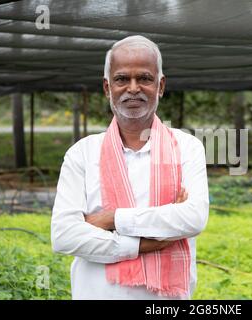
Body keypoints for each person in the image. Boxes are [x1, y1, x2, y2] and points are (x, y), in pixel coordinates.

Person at [51, 35, 209, 300]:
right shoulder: (82, 153)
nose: (133, 88)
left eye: (144, 79)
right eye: (122, 79)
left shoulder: (187, 147)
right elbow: (64, 235)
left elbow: (192, 218)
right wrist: (143, 244)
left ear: (160, 86)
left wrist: (112, 219)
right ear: (107, 87)